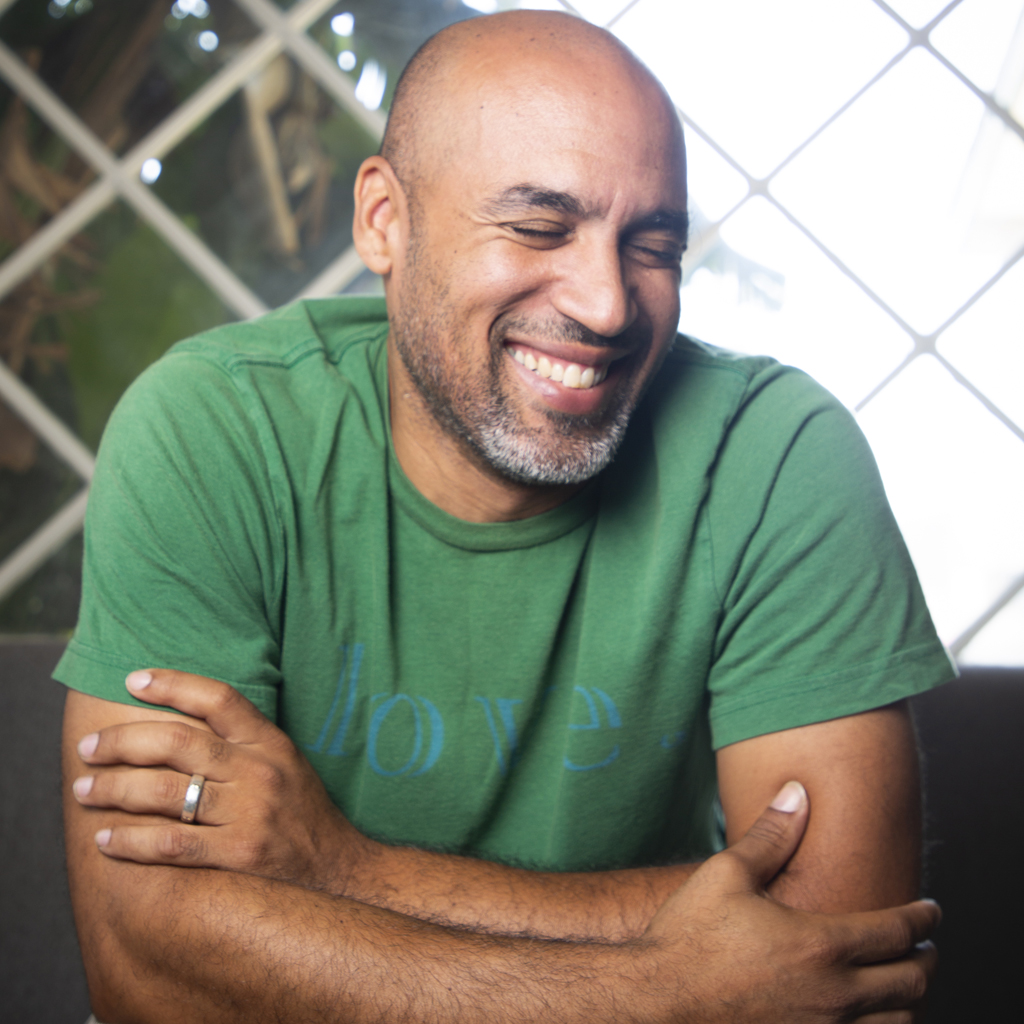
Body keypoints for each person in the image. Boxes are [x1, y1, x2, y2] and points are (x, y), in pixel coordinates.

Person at [57, 10, 953, 1023]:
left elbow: (836, 950)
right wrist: (661, 992)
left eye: (652, 244)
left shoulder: (774, 449)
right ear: (384, 220)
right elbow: (147, 973)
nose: (608, 305)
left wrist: (343, 870)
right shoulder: (215, 426)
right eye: (538, 228)